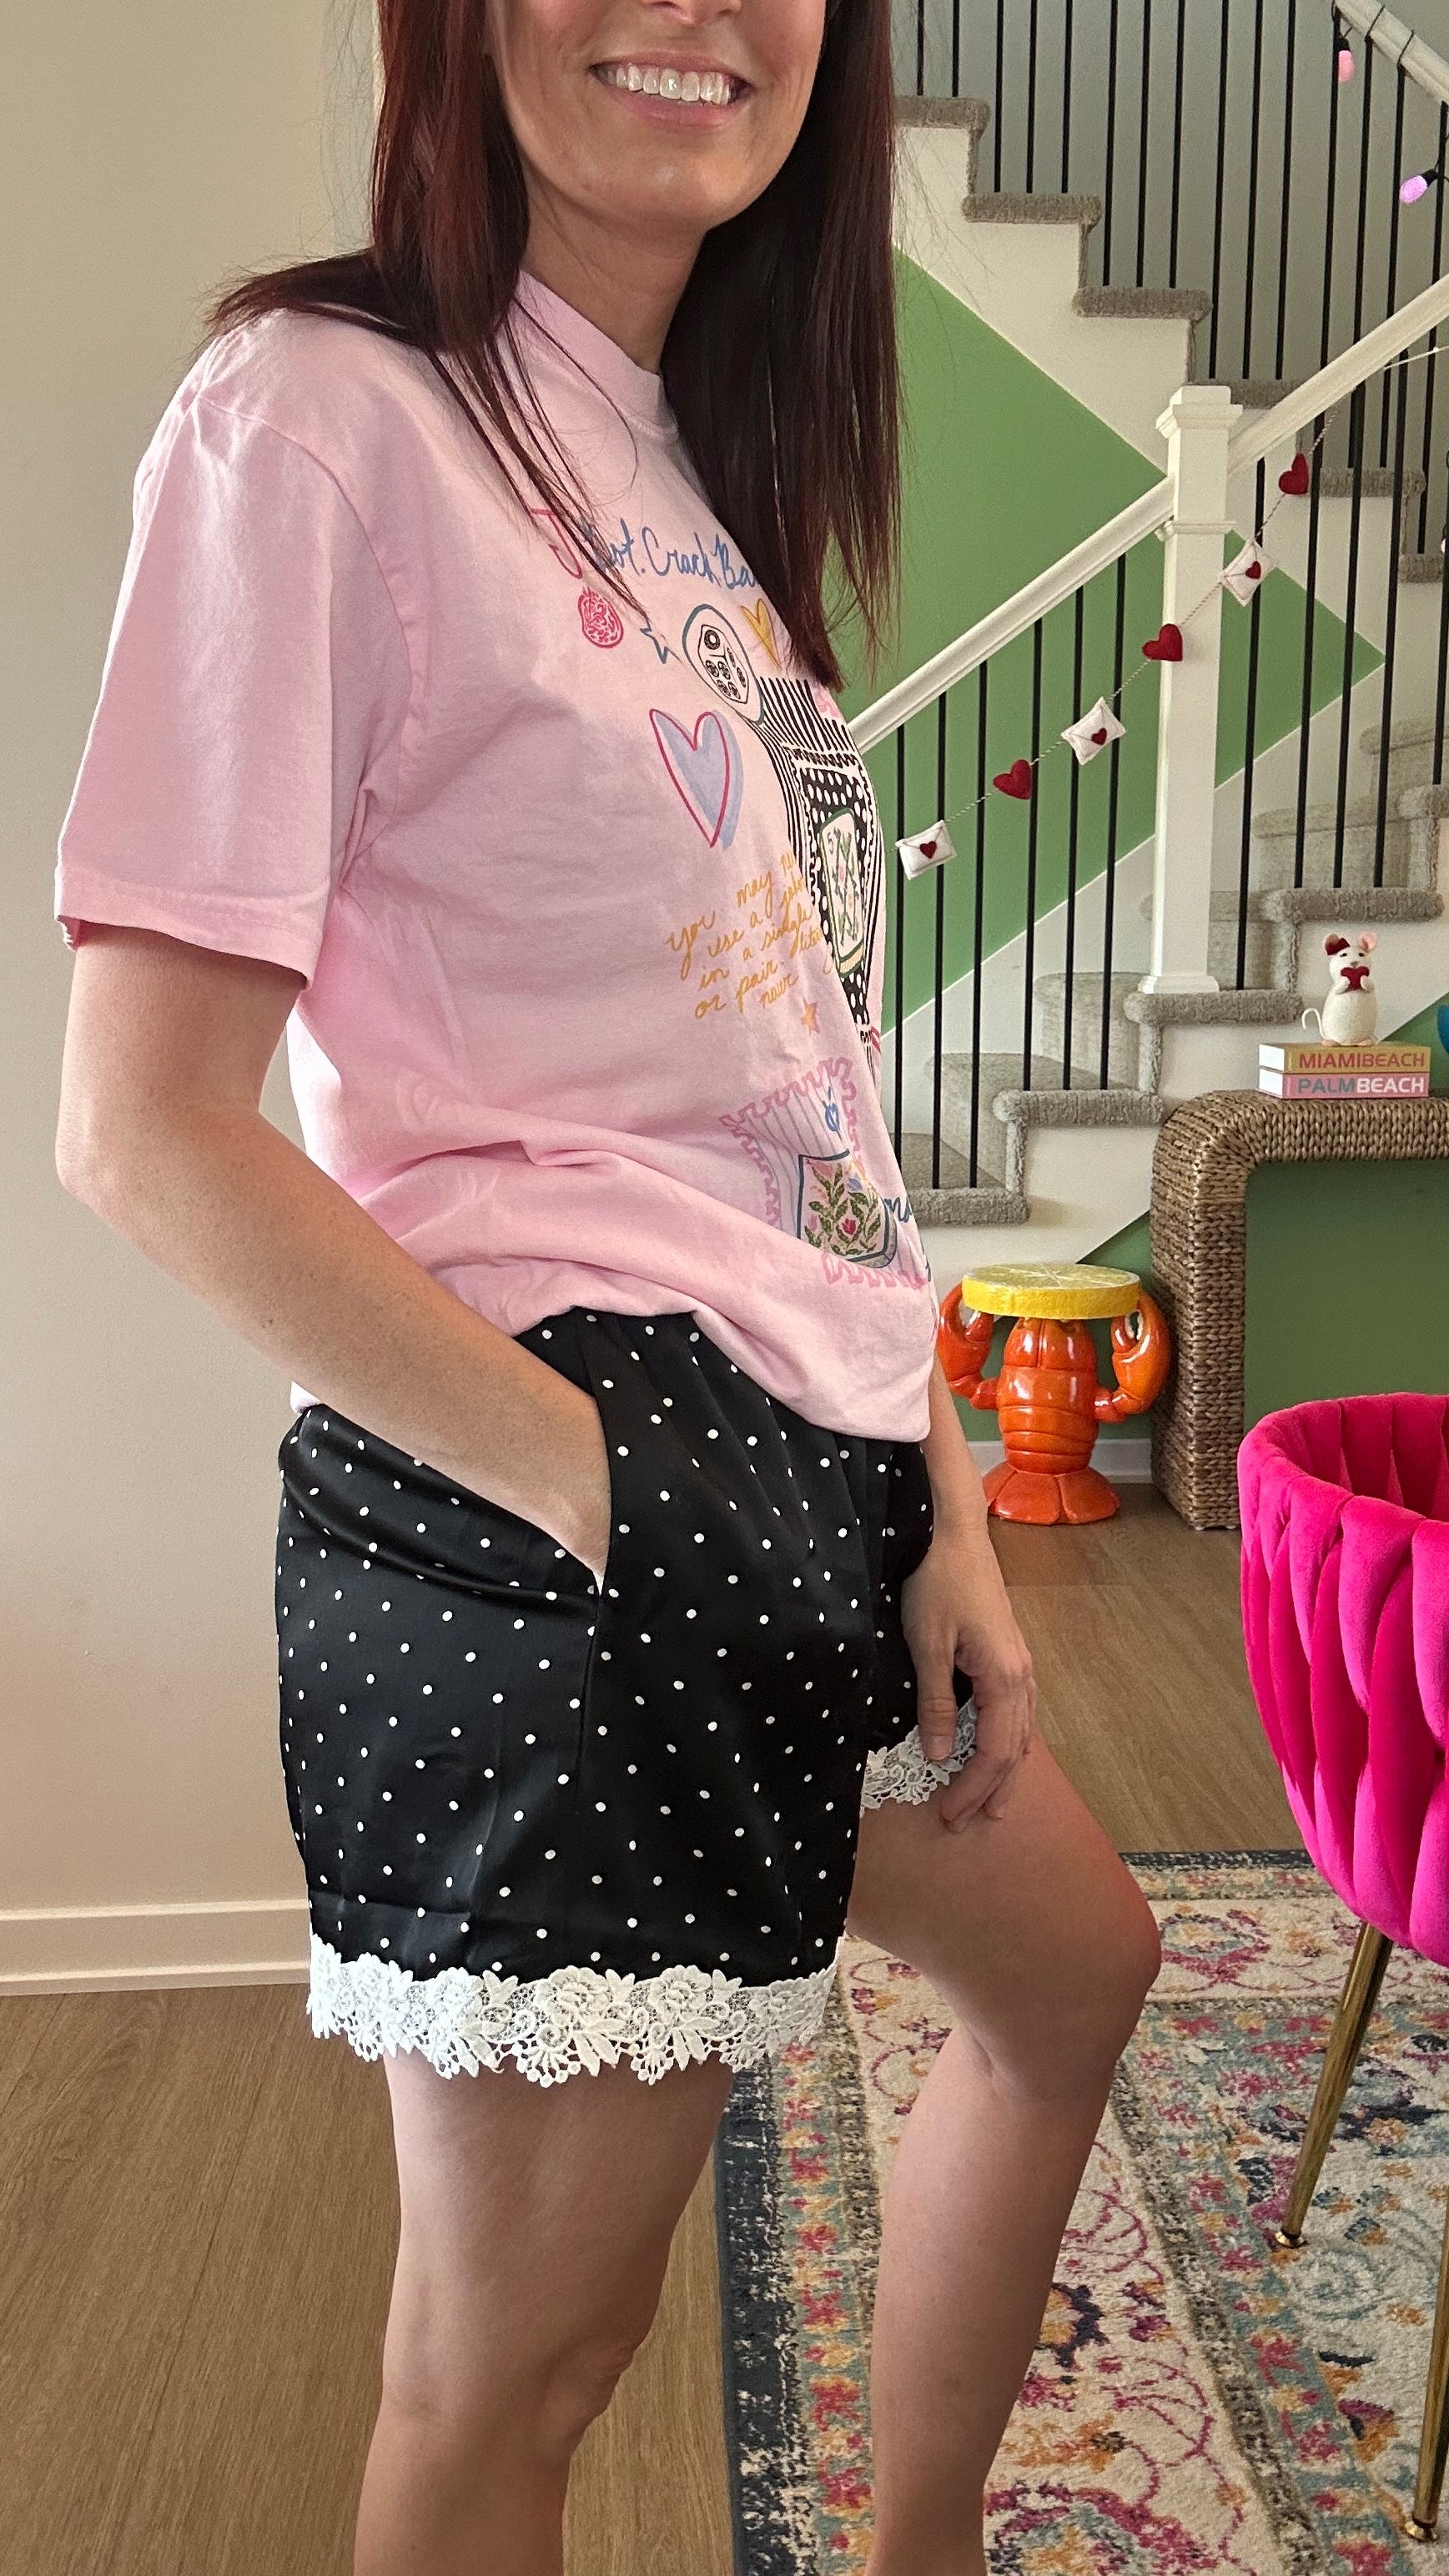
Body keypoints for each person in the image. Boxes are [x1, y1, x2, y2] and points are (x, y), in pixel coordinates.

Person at [50, 3, 1162, 2569]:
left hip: (807, 1463)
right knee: (514, 2375)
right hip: (569, 1476)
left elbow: (799, 1090)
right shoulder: (316, 415)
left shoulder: (683, 469)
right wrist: (594, 1485)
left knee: (1073, 1972)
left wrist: (938, 1505)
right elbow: (141, 1126)